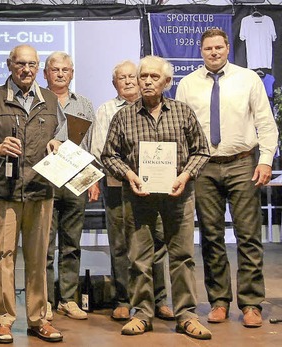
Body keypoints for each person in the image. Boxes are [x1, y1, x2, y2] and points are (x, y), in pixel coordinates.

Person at [101, 55, 212, 339]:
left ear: (166, 82)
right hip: (139, 195)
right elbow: (108, 155)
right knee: (139, 257)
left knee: (183, 256)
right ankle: (142, 314)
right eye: (143, 76)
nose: (147, 81)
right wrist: (129, 174)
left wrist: (185, 175)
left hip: (179, 194)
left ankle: (186, 315)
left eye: (153, 77)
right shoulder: (123, 115)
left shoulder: (183, 112)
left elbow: (202, 151)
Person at [176, 28, 278, 328]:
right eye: (208, 48)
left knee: (248, 237)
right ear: (201, 51)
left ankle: (250, 304)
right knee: (211, 237)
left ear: (228, 48)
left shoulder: (248, 79)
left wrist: (265, 160)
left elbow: (266, 123)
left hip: (243, 164)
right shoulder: (188, 84)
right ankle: (219, 301)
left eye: (219, 47)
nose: (214, 53)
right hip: (204, 167)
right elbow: (182, 130)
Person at [0, 44, 66, 344]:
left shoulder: (50, 99)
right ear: (10, 65)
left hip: (41, 189)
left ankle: (39, 319)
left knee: (38, 258)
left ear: (38, 68)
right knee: (3, 258)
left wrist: (57, 144)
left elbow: (62, 134)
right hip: (3, 191)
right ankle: (3, 320)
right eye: (21, 64)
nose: (27, 69)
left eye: (32, 64)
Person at [90, 60, 175, 322]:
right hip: (118, 187)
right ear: (114, 83)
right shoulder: (106, 110)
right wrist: (129, 174)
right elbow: (100, 151)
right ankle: (124, 299)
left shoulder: (157, 109)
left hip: (157, 187)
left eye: (132, 77)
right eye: (122, 78)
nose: (128, 81)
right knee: (120, 245)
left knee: (157, 243)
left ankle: (158, 300)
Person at [42, 51, 99, 321]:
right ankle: (44, 301)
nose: (61, 74)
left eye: (66, 69)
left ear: (72, 73)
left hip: (77, 180)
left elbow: (90, 144)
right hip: (45, 182)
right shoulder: (37, 102)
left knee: (71, 244)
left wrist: (93, 178)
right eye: (55, 70)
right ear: (46, 74)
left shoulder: (84, 104)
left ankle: (67, 299)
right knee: (43, 245)